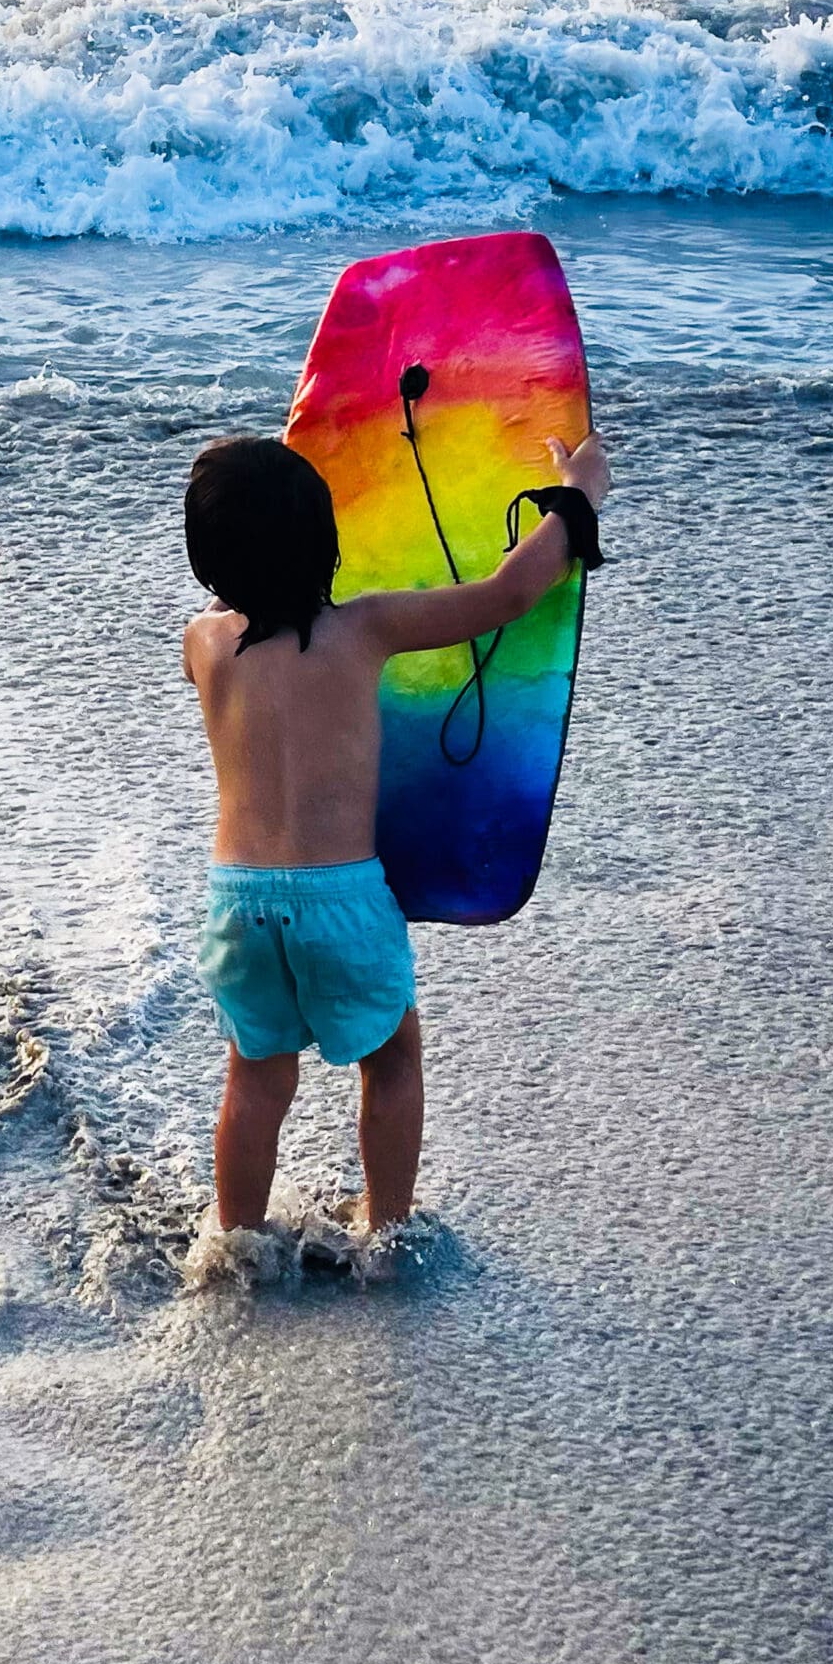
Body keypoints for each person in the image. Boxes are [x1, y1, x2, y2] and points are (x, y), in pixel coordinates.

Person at [181, 429, 610, 1234]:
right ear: (328, 544)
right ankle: (385, 1237)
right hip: (338, 899)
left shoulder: (201, 645)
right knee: (391, 1060)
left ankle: (233, 1244)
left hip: (236, 903)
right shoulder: (364, 629)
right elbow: (508, 594)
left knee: (255, 1081)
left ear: (204, 561)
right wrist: (577, 492)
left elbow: (233, 591)